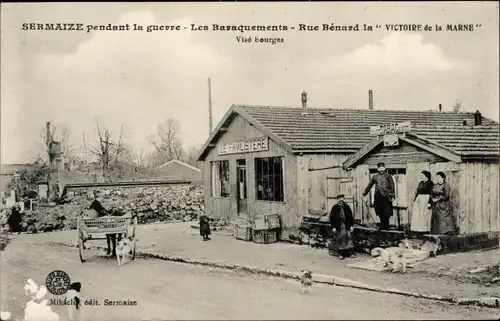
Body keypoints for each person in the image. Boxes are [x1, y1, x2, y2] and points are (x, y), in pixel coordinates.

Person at [363, 163, 395, 230]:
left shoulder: (388, 176)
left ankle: (386, 226)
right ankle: (382, 225)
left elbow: (392, 186)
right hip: (378, 197)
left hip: (386, 196)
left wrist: (392, 195)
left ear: (384, 168)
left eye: (382, 168)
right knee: (380, 211)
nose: (381, 170)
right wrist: (364, 193)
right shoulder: (375, 176)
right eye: (380, 168)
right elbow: (370, 185)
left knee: (386, 212)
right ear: (378, 169)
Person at [329, 194, 356, 260]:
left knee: (349, 237)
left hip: (347, 225)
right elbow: (331, 218)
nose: (341, 200)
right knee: (341, 237)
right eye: (339, 199)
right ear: (337, 200)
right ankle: (340, 253)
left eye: (342, 198)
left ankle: (351, 253)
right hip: (339, 226)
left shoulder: (347, 207)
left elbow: (351, 217)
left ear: (344, 199)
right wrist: (333, 227)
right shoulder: (334, 208)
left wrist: (352, 226)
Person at [410, 170, 434, 236]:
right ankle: (418, 230)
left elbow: (432, 193)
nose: (421, 177)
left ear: (426, 176)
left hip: (426, 200)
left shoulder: (430, 183)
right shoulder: (421, 183)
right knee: (417, 216)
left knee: (424, 216)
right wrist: (415, 200)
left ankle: (424, 231)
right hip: (419, 200)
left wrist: (430, 202)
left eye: (422, 175)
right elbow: (418, 192)